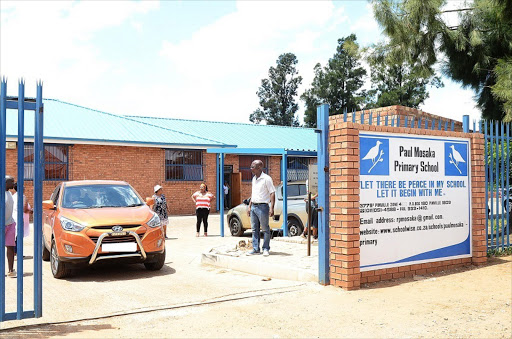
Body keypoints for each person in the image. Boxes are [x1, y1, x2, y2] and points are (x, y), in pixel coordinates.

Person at [246, 160, 275, 257]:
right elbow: (253, 194)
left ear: (259, 168)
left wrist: (272, 207)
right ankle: (255, 249)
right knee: (254, 229)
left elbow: (272, 193)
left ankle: (266, 248)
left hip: (263, 207)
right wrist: (249, 206)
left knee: (265, 229)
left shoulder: (267, 179)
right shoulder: (254, 179)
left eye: (253, 167)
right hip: (254, 206)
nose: (251, 168)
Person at [10, 182, 33, 258]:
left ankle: (15, 252)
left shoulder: (13, 196)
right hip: (20, 219)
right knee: (19, 237)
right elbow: (25, 209)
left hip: (13, 218)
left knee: (15, 237)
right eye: (23, 187)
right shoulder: (22, 197)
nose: (24, 188)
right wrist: (31, 211)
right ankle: (18, 253)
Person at [4, 176, 16, 277]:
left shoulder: (9, 193)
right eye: (11, 182)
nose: (13, 183)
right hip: (2, 225)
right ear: (5, 183)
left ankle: (11, 270)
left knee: (11, 247)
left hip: (10, 224)